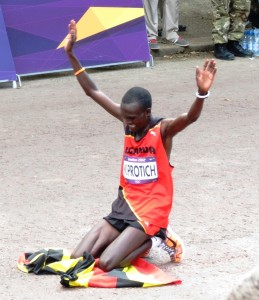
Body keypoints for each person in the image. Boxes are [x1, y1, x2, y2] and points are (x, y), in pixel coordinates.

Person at [64, 19, 217, 272]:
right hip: (124, 206)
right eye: (124, 117)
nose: (127, 122)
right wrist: (71, 54)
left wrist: (201, 94)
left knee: (109, 264)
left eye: (133, 118)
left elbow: (189, 118)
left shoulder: (163, 130)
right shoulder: (127, 121)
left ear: (147, 113)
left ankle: (157, 240)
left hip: (150, 213)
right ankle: (127, 239)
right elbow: (93, 91)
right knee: (79, 259)